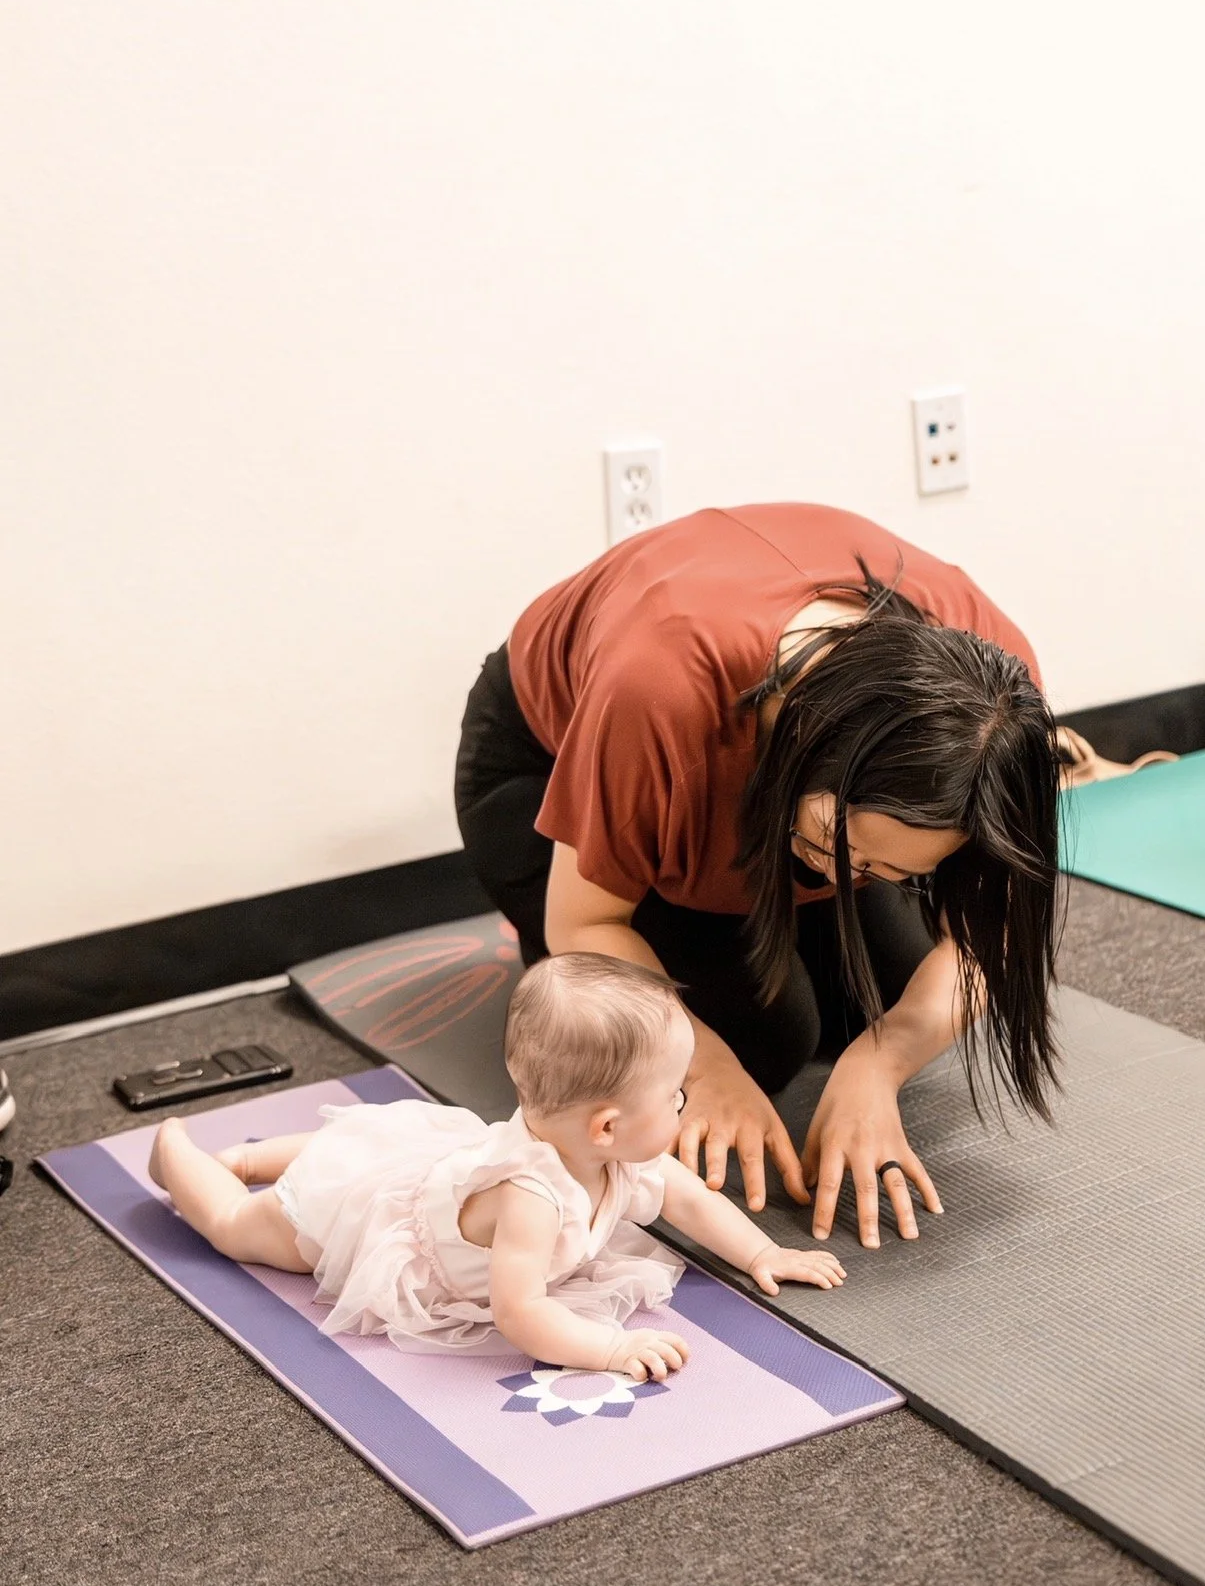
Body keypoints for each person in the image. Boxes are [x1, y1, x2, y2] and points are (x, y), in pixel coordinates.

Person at [455, 503, 1062, 1248]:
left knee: (871, 1009)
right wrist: (704, 1070)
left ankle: (790, 890)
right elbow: (584, 922)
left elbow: (988, 939)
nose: (860, 880)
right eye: (847, 853)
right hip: (539, 766)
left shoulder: (994, 713)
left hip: (774, 791)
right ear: (805, 748)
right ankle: (573, 980)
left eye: (891, 871)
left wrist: (882, 1061)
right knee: (766, 1039)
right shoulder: (660, 688)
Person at [148, 954, 844, 1381]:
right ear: (606, 1126)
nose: (687, 1104)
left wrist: (761, 1251)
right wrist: (606, 1348)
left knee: (371, 1142)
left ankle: (257, 1154)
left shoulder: (617, 1155)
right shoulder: (533, 1197)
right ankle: (190, 1154)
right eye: (677, 1095)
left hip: (434, 1167)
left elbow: (687, 1199)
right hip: (387, 1230)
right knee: (250, 1227)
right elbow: (519, 1310)